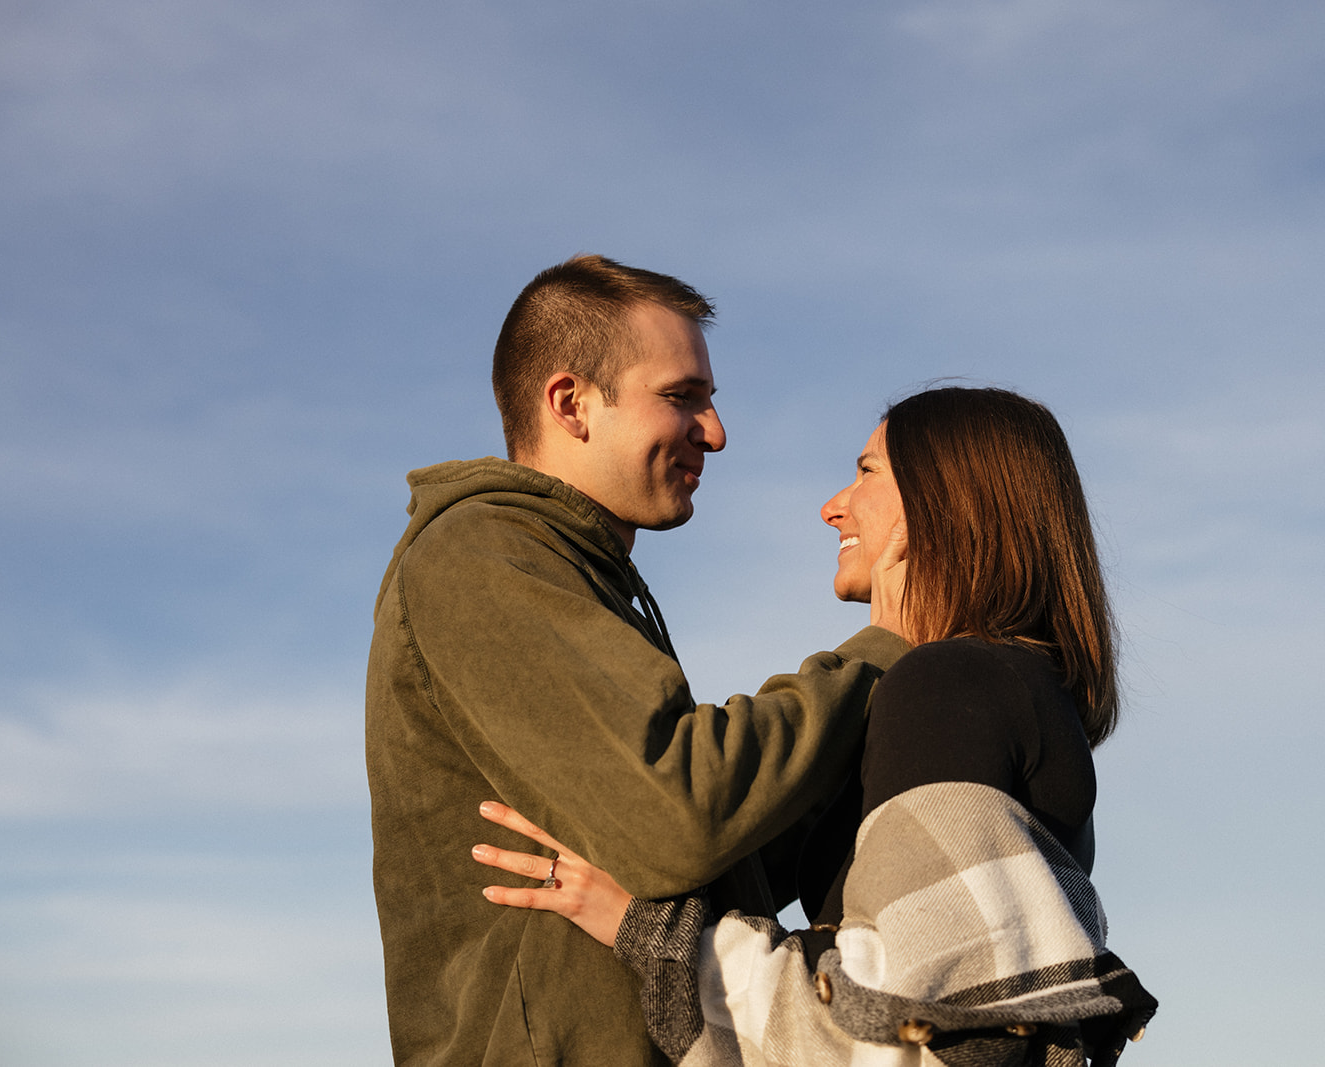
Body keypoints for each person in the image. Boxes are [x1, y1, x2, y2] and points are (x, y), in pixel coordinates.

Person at [474, 387, 1159, 1065]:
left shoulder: (948, 688)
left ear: (944, 499)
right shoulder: (1022, 691)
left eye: (866, 472)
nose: (834, 507)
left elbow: (899, 1032)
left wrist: (643, 928)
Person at [365, 254, 911, 1067]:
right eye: (682, 397)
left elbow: (722, 858)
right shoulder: (480, 555)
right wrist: (888, 648)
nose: (716, 432)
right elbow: (678, 818)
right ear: (570, 402)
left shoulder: (578, 574)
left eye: (711, 401)